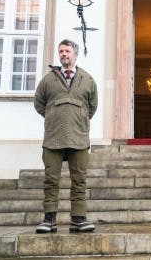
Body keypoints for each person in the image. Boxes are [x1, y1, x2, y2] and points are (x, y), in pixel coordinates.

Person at [33, 39, 98, 233]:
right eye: (61, 51)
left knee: (79, 180)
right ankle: (49, 220)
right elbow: (39, 104)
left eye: (67, 51)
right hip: (53, 138)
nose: (63, 54)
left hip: (78, 138)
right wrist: (54, 116)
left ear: (75, 55)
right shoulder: (48, 80)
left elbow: (92, 107)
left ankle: (79, 219)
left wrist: (78, 119)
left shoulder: (87, 79)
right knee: (51, 180)